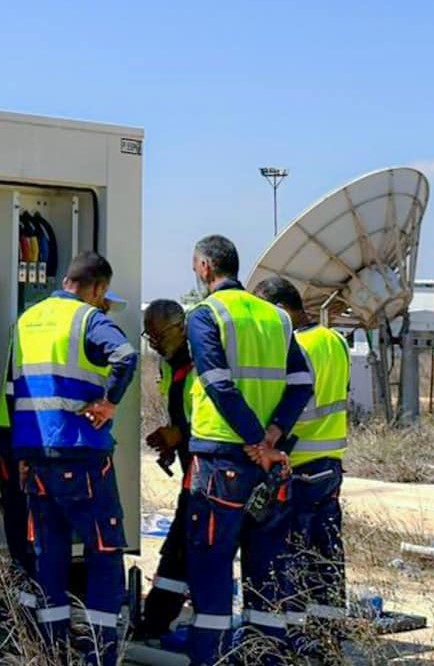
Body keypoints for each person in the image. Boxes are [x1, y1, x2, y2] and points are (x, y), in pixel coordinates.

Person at [184, 235, 314, 666]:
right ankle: (267, 657)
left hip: (222, 460)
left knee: (211, 568)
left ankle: (212, 659)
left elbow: (218, 382)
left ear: (205, 267)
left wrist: (257, 439)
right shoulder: (277, 318)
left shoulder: (206, 315)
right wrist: (274, 433)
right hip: (267, 466)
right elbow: (302, 382)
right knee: (267, 570)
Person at [9, 252, 137, 666]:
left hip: (35, 455)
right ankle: (99, 654)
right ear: (97, 288)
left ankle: (48, 650)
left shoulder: (27, 318)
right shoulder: (89, 319)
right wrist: (109, 403)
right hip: (81, 454)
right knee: (104, 553)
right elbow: (126, 356)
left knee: (50, 556)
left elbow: (15, 385)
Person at [252, 276, 349, 658]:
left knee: (289, 553)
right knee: (326, 554)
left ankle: (293, 636)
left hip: (298, 465)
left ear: (280, 310)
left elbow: (295, 409)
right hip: (330, 465)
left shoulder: (297, 348)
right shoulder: (334, 340)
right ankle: (328, 634)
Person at [134, 299, 196, 642]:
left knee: (182, 548)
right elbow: (182, 409)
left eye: (160, 335)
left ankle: (155, 623)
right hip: (191, 466)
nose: (155, 343)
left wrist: (181, 434)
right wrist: (173, 441)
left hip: (211, 469)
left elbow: (216, 419)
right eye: (150, 336)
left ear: (181, 327)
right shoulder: (170, 364)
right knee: (181, 546)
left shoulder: (205, 359)